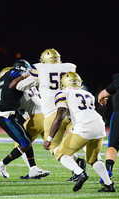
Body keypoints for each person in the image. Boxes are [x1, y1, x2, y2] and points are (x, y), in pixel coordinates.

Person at [43, 72, 115, 192]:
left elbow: (60, 116)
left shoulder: (63, 93)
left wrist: (49, 139)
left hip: (84, 126)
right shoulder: (88, 94)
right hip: (99, 124)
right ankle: (109, 185)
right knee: (94, 159)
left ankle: (80, 173)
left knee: (60, 153)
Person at [33, 48, 86, 181]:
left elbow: (31, 79)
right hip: (73, 111)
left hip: (53, 113)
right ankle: (101, 170)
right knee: (85, 141)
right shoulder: (70, 66)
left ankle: (78, 170)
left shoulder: (39, 68)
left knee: (54, 148)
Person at [0, 59, 48, 179]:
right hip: (6, 117)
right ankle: (1, 164)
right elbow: (14, 86)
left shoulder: (5, 82)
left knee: (26, 140)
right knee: (24, 143)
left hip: (10, 115)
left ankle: (32, 168)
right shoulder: (16, 80)